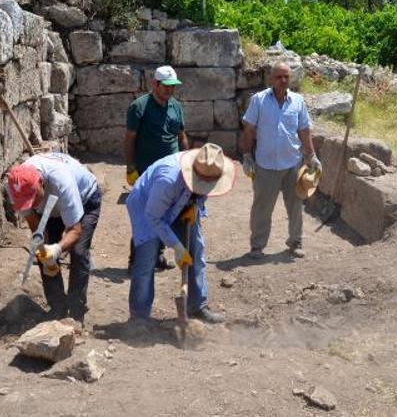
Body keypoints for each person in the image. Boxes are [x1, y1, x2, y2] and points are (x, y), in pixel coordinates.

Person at [126, 143, 234, 323]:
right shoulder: (167, 179)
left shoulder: (208, 166)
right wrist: (177, 247)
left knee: (196, 251)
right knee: (146, 260)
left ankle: (197, 306)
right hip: (148, 206)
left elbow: (205, 189)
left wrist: (195, 207)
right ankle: (139, 317)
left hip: (183, 203)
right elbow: (153, 217)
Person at [6, 152, 101, 323]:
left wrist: (57, 249)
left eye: (33, 199)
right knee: (43, 254)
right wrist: (44, 250)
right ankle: (57, 308)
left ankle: (76, 313)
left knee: (79, 252)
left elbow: (75, 229)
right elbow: (35, 223)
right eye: (26, 202)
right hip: (50, 209)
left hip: (86, 198)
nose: (32, 204)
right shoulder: (15, 185)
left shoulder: (61, 182)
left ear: (41, 183)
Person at [240, 62, 322, 260]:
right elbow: (249, 130)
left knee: (295, 207)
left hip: (292, 163)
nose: (283, 80)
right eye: (279, 77)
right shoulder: (258, 101)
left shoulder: (298, 101)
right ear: (271, 79)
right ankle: (257, 246)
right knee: (261, 208)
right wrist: (247, 155)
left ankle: (295, 243)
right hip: (265, 164)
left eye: (286, 76)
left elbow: (304, 130)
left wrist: (311, 155)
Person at [124, 65, 190, 271]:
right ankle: (136, 260)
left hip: (172, 173)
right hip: (148, 172)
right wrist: (130, 167)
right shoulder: (139, 107)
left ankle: (157, 256)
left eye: (173, 86)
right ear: (155, 84)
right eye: (166, 86)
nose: (170, 90)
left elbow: (181, 136)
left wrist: (187, 161)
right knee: (145, 216)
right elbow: (129, 139)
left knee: (166, 215)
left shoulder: (176, 107)